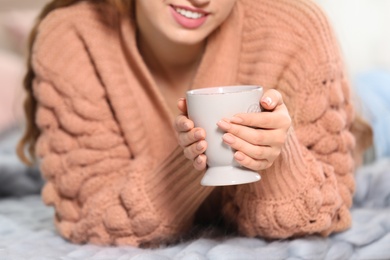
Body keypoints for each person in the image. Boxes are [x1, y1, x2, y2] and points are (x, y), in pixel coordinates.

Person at [17, 0, 372, 247]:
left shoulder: (298, 28)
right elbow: (91, 214)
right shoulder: (72, 39)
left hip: (366, 117)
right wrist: (193, 165)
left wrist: (278, 158)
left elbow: (326, 209)